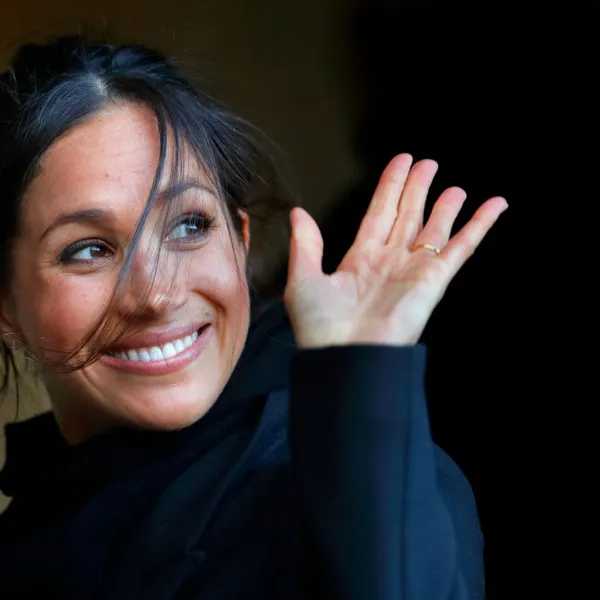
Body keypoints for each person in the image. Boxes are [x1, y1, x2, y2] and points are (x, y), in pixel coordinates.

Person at [0, 36, 507, 599]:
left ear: (240, 243)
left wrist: (363, 379)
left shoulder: (359, 478)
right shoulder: (24, 545)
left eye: (189, 225)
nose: (157, 295)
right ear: (6, 305)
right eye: (89, 249)